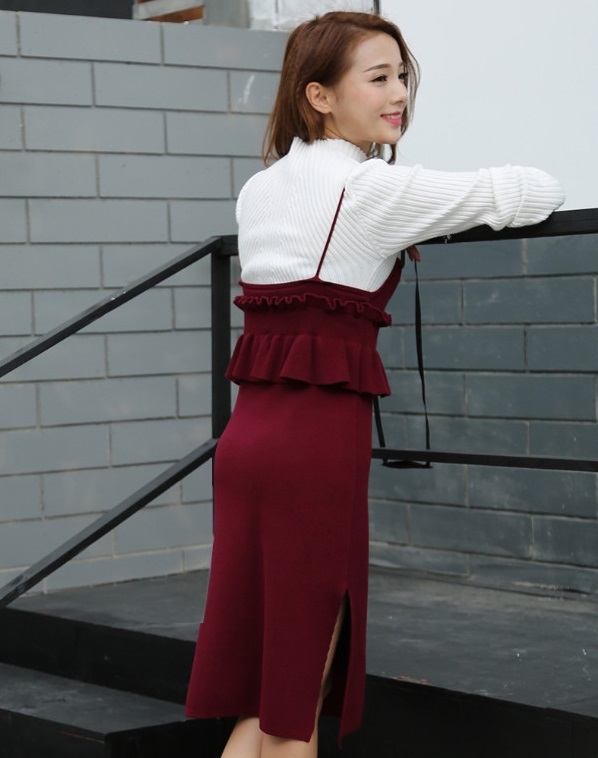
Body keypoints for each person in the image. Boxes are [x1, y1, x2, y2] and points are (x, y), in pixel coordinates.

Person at [185, 11, 565, 758]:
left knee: (267, 697)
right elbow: (533, 189)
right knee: (296, 707)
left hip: (247, 446)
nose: (399, 95)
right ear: (319, 95)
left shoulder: (259, 189)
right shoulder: (372, 191)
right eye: (379, 78)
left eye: (403, 76)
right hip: (314, 454)